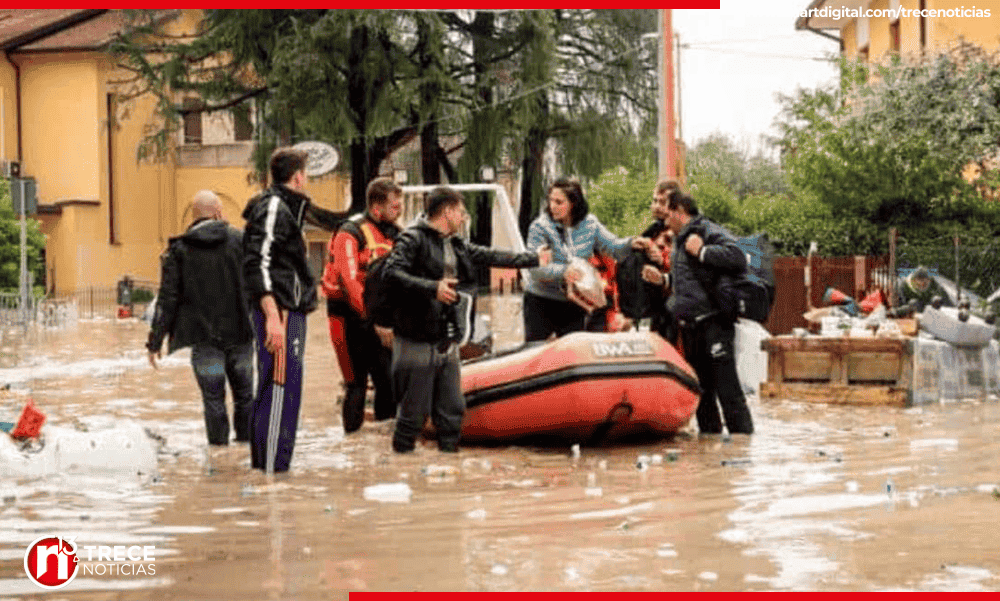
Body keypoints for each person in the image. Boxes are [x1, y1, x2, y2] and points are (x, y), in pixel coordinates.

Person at [385, 186, 551, 453]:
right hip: (416, 338)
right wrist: (433, 287)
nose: (464, 218)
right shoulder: (412, 239)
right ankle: (402, 467)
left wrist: (533, 259)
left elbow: (489, 255)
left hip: (447, 338)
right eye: (461, 212)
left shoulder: (456, 243)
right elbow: (392, 274)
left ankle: (450, 467)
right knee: (413, 413)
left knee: (452, 409)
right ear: (448, 211)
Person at [242, 146, 344, 473]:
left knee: (284, 388)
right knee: (279, 390)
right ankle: (272, 476)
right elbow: (257, 261)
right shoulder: (272, 207)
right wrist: (272, 315)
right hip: (281, 311)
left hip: (289, 310)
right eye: (307, 175)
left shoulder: (285, 208)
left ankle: (270, 468)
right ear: (299, 177)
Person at [146, 190, 254, 447]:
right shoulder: (241, 241)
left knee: (213, 399)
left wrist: (154, 341)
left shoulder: (179, 250)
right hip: (241, 337)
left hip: (205, 342)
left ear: (193, 217)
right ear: (218, 211)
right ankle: (246, 456)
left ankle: (219, 460)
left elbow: (167, 299)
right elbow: (258, 283)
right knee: (245, 396)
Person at [663, 191, 754, 435]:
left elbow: (738, 257)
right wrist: (663, 279)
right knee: (702, 392)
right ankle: (710, 448)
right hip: (691, 326)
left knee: (728, 388)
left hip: (714, 323)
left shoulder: (706, 230)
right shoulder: (678, 240)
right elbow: (688, 279)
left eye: (666, 212)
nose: (663, 219)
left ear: (678, 211)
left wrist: (703, 252)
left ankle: (742, 447)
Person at [321, 177, 403, 433]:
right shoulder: (349, 232)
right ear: (377, 207)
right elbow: (348, 281)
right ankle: (352, 442)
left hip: (379, 320)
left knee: (388, 382)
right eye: (394, 206)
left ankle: (382, 447)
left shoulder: (396, 234)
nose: (399, 210)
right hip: (347, 318)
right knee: (356, 384)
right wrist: (375, 320)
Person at [523, 177, 646, 342]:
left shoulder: (590, 225)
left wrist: (631, 243)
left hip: (575, 303)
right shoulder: (539, 228)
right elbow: (536, 268)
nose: (552, 206)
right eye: (551, 201)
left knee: (572, 351)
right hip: (540, 300)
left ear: (573, 203)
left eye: (559, 202)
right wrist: (563, 272)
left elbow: (613, 246)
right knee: (536, 351)